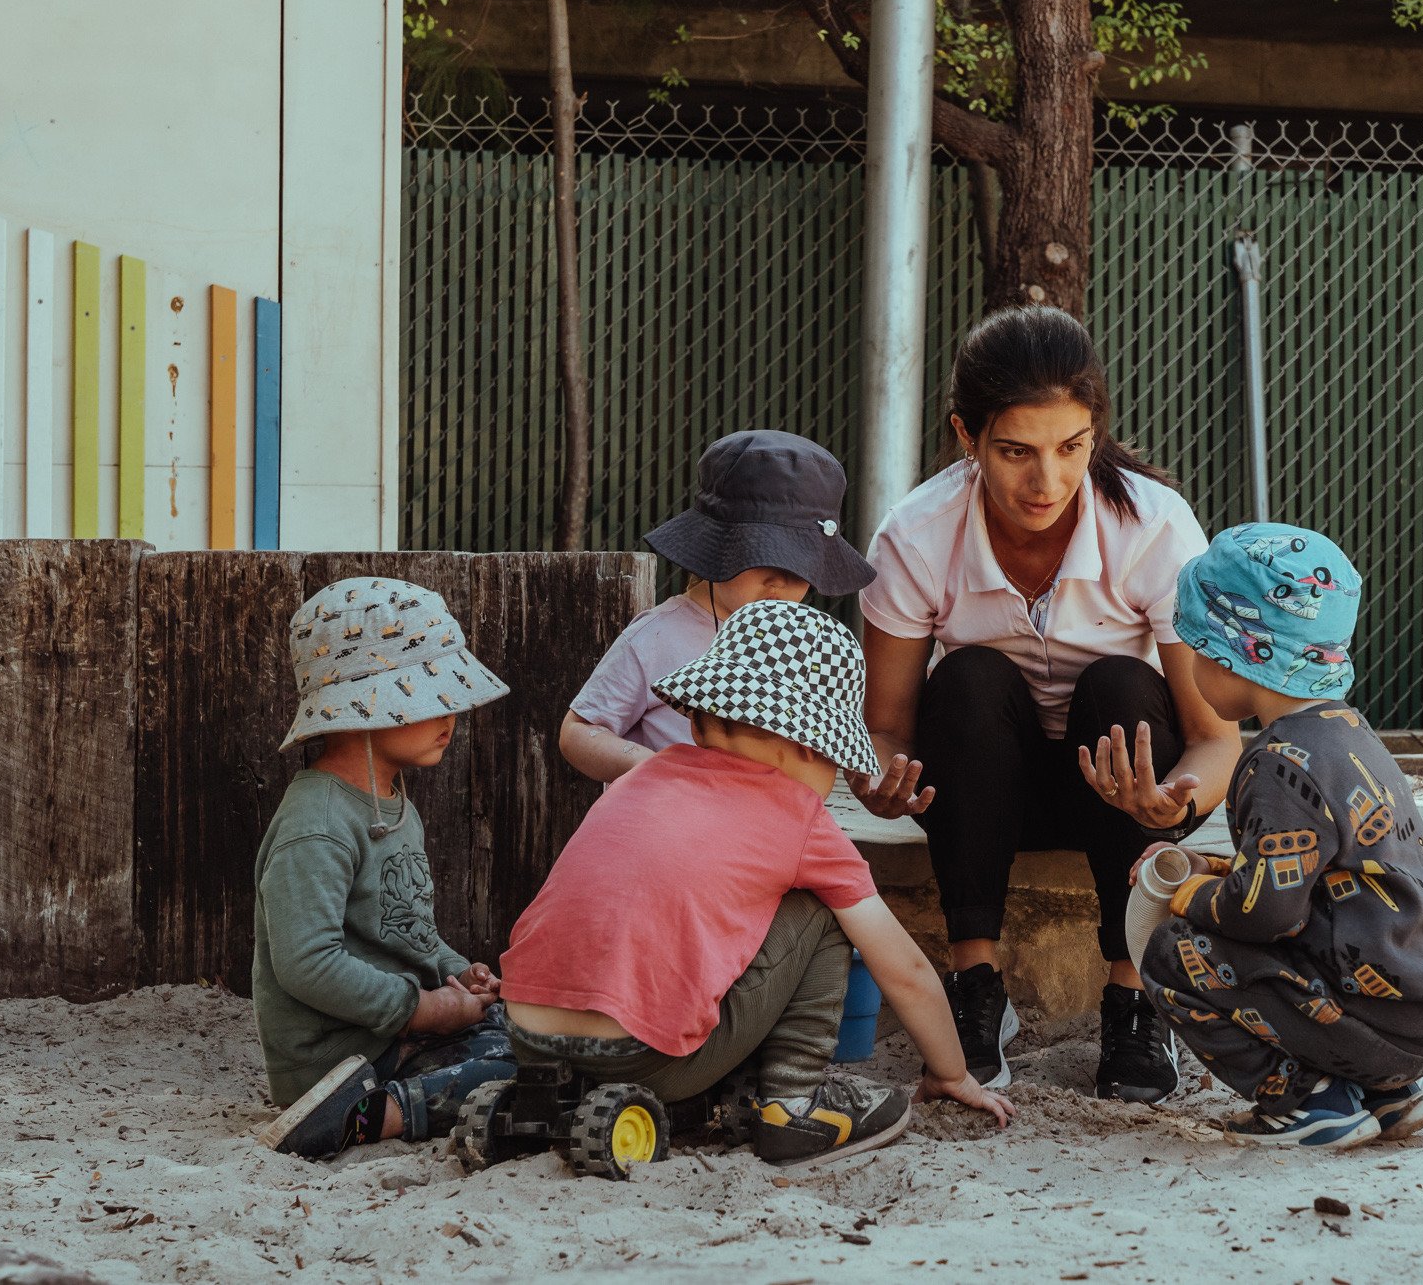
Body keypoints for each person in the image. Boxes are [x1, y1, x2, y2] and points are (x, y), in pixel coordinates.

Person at [853, 306, 1243, 1104]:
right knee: (967, 679)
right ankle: (975, 990)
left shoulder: (1154, 527)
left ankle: (1134, 997)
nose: (1047, 482)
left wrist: (1174, 801)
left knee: (1121, 686)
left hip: (1123, 793)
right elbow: (887, 724)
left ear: (1095, 430)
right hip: (982, 792)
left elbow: (1215, 741)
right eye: (1016, 452)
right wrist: (880, 776)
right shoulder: (915, 536)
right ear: (967, 436)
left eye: (1071, 448)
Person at [501, 601, 1014, 1170]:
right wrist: (951, 1073)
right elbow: (907, 973)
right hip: (642, 1059)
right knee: (824, 912)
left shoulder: (642, 774)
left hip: (527, 1035)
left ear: (698, 720)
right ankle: (794, 1104)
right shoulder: (799, 816)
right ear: (808, 747)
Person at [1134, 524, 1423, 1149]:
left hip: (1373, 1019)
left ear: (1230, 653)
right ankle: (1386, 1097)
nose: (1188, 667)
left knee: (1172, 954)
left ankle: (1309, 1104)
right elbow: (1323, 874)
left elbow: (1267, 912)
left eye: (1194, 649)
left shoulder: (1279, 763)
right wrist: (1215, 869)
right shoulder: (1349, 735)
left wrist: (1187, 895)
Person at [253, 578, 518, 1161]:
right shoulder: (317, 824)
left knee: (537, 1038)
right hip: (342, 1062)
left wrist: (455, 973)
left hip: (397, 1036)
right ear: (362, 706)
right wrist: (424, 1009)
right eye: (429, 695)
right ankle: (360, 1119)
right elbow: (306, 964)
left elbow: (405, 927)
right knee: (517, 1064)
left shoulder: (392, 798)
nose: (451, 712)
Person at [559, 429, 875, 783]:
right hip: (673, 818)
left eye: (801, 568)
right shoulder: (658, 635)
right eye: (766, 558)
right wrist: (648, 765)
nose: (781, 581)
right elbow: (579, 730)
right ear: (718, 546)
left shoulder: (804, 644)